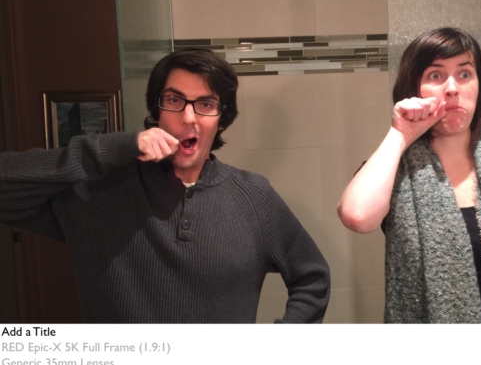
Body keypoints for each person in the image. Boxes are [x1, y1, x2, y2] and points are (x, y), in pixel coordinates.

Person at [0, 47, 330, 323]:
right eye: (174, 100)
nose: (189, 118)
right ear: (156, 110)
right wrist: (116, 147)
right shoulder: (99, 191)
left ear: (220, 118)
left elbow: (312, 277)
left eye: (206, 104)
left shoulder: (255, 198)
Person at [337, 28, 481, 323]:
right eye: (435, 76)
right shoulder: (391, 170)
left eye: (464, 75)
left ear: (479, 86)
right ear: (414, 89)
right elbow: (357, 216)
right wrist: (400, 135)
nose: (452, 88)